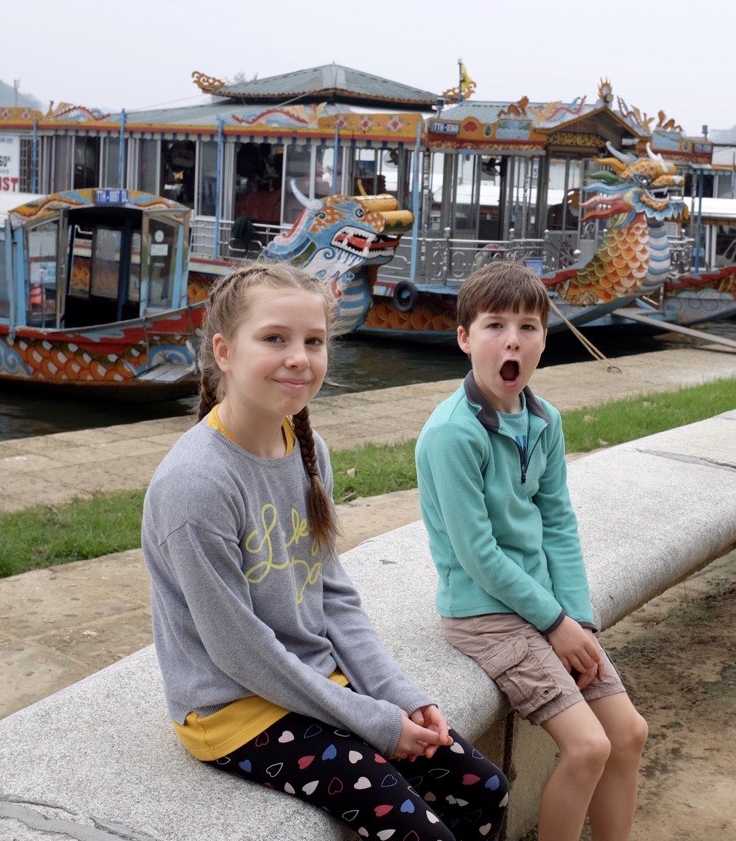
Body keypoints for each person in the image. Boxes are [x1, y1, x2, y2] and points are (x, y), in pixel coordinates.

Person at [142, 263, 509, 841]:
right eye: (274, 339)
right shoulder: (196, 486)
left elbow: (332, 595)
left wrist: (399, 695)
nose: (299, 357)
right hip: (234, 711)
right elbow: (239, 651)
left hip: (311, 681)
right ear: (224, 351)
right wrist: (377, 724)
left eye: (313, 341)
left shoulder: (308, 450)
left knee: (485, 790)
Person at [416, 262, 648, 841]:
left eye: (528, 326)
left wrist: (577, 619)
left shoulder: (544, 419)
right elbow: (478, 555)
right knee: (588, 745)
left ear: (546, 339)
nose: (513, 339)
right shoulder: (452, 434)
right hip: (485, 615)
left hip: (547, 607)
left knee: (628, 733)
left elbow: (558, 524)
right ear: (465, 338)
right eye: (495, 325)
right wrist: (553, 620)